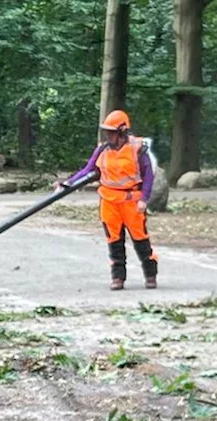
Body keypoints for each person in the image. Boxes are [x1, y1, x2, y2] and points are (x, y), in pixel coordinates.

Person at [59, 109, 158, 290]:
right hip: (109, 201)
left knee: (140, 239)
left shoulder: (137, 149)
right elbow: (88, 170)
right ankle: (118, 277)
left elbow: (148, 175)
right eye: (106, 131)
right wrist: (67, 183)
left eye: (111, 131)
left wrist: (145, 199)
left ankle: (150, 274)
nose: (107, 135)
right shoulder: (102, 150)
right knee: (114, 241)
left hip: (131, 201)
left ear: (122, 131)